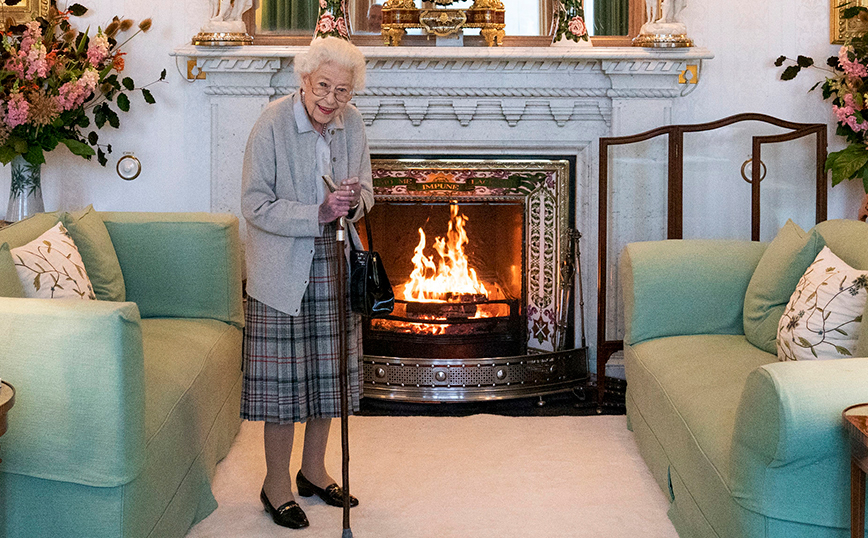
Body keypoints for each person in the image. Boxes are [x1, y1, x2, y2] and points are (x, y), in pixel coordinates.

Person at [239, 36, 371, 530]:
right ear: (303, 79)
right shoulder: (272, 122)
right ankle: (275, 484)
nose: (331, 100)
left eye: (342, 91)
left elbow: (368, 193)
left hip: (335, 264)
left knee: (327, 379)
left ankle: (312, 471)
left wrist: (353, 200)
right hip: (281, 269)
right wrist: (316, 212)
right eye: (323, 87)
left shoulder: (351, 124)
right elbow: (254, 204)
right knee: (283, 388)